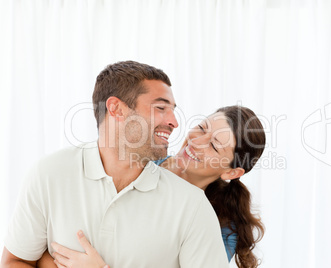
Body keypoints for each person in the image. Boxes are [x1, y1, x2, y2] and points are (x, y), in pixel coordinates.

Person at [1, 61, 229, 268]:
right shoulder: (49, 175)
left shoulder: (192, 206)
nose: (174, 122)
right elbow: (16, 261)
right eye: (161, 108)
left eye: (172, 110)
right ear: (116, 109)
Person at [38, 105, 266, 268]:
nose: (196, 142)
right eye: (202, 128)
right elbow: (49, 249)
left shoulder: (219, 228)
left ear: (231, 172)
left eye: (214, 146)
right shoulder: (134, 164)